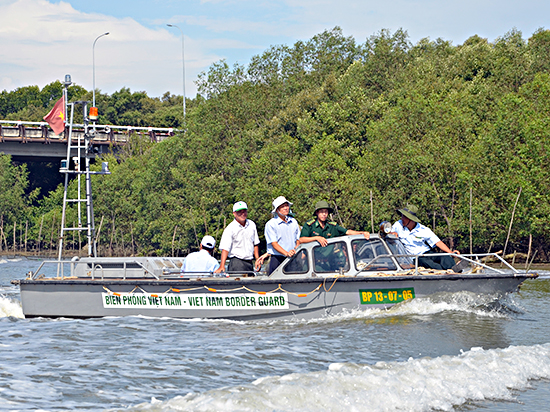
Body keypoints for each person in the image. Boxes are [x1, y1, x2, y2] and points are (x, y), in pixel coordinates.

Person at [391, 203, 462, 271]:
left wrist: (451, 252)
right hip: (415, 258)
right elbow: (386, 231)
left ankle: (455, 269)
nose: (402, 218)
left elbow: (438, 242)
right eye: (402, 216)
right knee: (427, 263)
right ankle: (445, 272)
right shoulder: (398, 225)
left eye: (404, 217)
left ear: (411, 219)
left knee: (444, 256)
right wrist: (392, 233)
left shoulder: (423, 229)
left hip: (427, 253)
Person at [215, 201, 260, 275]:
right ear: (234, 213)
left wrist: (257, 259)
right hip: (237, 262)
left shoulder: (252, 225)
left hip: (249, 262)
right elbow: (225, 248)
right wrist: (222, 266)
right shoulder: (230, 228)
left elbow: (255, 243)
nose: (243, 214)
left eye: (244, 211)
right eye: (239, 212)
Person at [299, 200, 370, 246]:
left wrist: (362, 233)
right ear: (317, 213)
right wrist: (316, 238)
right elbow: (302, 240)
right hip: (314, 261)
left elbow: (347, 232)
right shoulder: (310, 225)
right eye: (321, 212)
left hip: (330, 261)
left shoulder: (332, 225)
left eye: (326, 212)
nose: (324, 214)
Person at [264, 196, 301, 275]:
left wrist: (296, 249)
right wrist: (286, 253)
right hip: (277, 258)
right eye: (282, 206)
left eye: (286, 206)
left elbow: (298, 239)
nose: (285, 208)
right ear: (277, 210)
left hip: (293, 257)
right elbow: (274, 244)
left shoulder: (293, 221)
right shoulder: (271, 224)